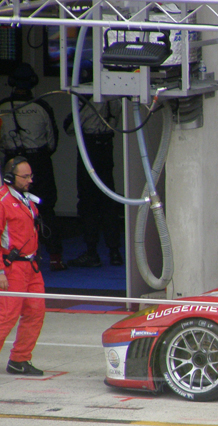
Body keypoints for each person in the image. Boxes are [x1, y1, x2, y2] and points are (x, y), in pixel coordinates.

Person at [0, 63, 63, 271]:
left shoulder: (2, 107)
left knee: (8, 208)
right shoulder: (41, 107)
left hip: (11, 163)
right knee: (46, 207)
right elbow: (52, 141)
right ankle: (55, 257)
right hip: (38, 162)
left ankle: (13, 259)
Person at [64, 98, 124, 268]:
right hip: (106, 146)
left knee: (88, 202)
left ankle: (92, 252)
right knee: (108, 200)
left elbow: (70, 127)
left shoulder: (88, 98)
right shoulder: (115, 98)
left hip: (89, 147)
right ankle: (115, 252)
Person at [0, 157, 45, 376]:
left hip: (31, 265)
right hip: (12, 268)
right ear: (10, 177)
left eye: (31, 176)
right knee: (7, 316)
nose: (30, 180)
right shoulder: (2, 201)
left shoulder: (26, 199)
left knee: (35, 312)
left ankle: (20, 359)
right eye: (25, 177)